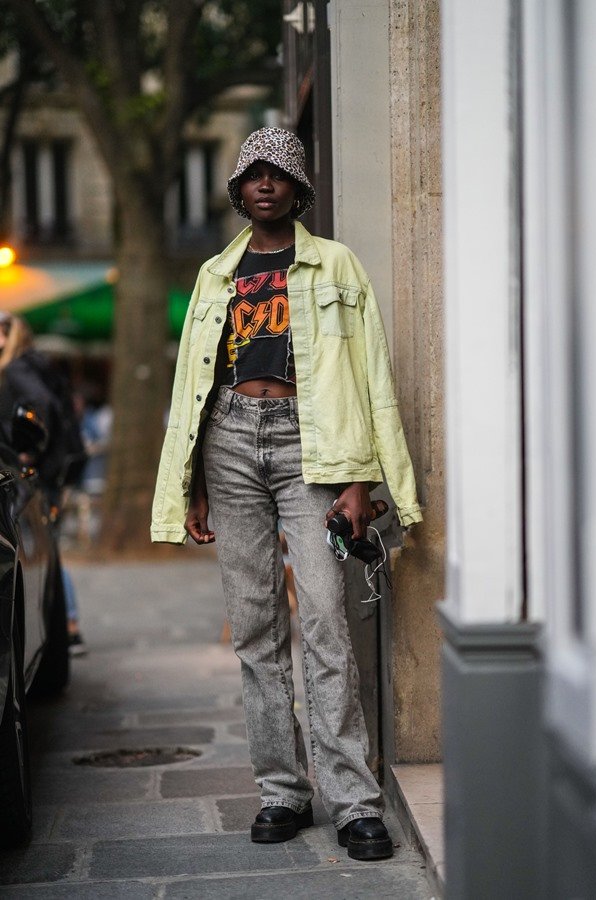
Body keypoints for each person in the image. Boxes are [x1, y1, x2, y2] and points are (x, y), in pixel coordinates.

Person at [152, 128, 422, 861]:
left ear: (297, 189)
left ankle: (354, 800)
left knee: (328, 620)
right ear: (238, 191)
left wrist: (359, 478)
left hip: (315, 440)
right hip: (231, 440)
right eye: (252, 175)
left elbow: (369, 375)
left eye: (279, 174)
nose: (265, 185)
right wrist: (196, 484)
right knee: (255, 626)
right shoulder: (215, 275)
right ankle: (282, 790)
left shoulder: (336, 264)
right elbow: (194, 385)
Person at [0, 313, 87, 655]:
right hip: (55, 467)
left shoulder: (18, 368)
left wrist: (28, 453)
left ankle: (69, 625)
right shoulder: (34, 363)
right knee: (48, 547)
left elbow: (43, 405)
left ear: (6, 336)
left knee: (46, 548)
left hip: (39, 471)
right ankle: (68, 627)